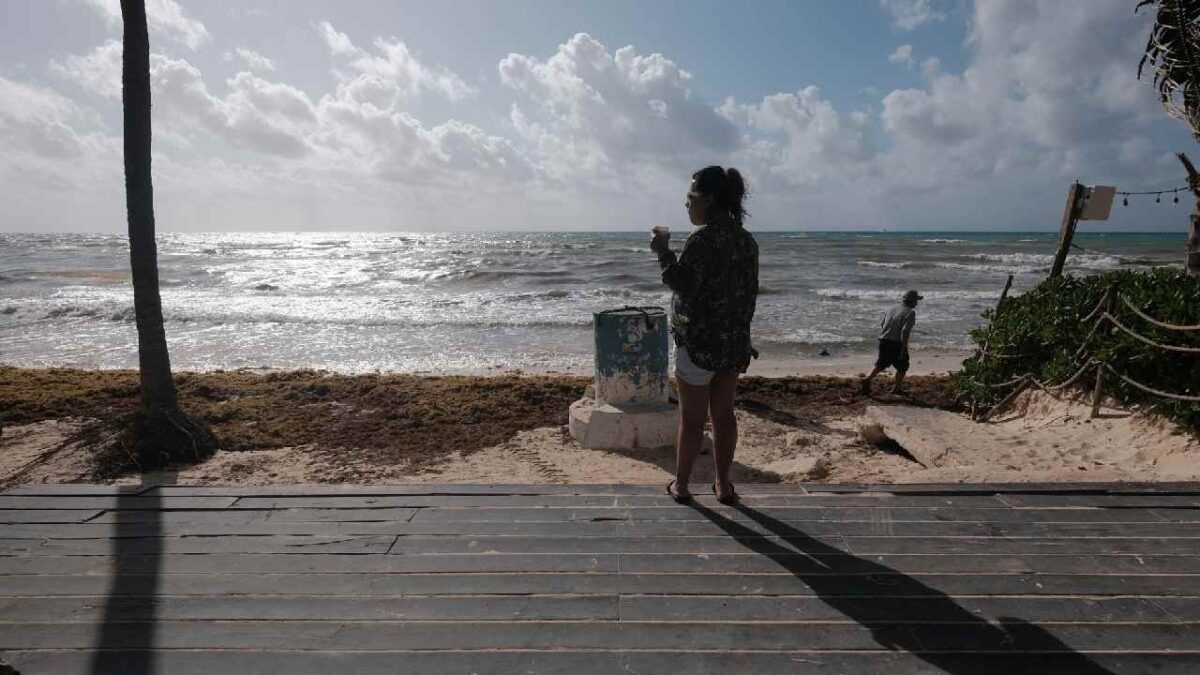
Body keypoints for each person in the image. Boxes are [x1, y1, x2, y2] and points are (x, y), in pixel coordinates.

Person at [651, 166, 758, 505]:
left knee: (693, 420)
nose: (687, 205)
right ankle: (723, 485)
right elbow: (748, 293)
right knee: (724, 416)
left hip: (698, 344)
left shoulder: (703, 239)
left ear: (709, 200)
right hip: (732, 344)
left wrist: (663, 252)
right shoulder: (745, 239)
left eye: (691, 198)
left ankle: (681, 486)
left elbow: (684, 284)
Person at [859, 289, 922, 395]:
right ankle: (897, 388)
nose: (917, 303)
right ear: (913, 301)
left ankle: (868, 379)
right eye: (916, 301)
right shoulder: (910, 313)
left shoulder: (891, 309)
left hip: (883, 340)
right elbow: (905, 331)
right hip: (896, 343)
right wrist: (903, 347)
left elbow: (882, 324)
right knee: (902, 365)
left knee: (881, 363)